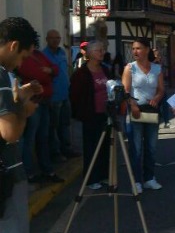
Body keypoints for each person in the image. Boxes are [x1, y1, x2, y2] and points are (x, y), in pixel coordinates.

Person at [0, 17, 42, 233]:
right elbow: (9, 133)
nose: (20, 65)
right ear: (13, 45)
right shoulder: (1, 75)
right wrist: (24, 109)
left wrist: (20, 96)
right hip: (7, 174)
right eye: (23, 57)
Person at [123, 37, 165, 193]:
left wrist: (157, 98)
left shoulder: (157, 68)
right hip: (136, 111)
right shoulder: (130, 68)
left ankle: (149, 178)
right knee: (136, 148)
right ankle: (136, 181)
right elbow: (125, 91)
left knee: (151, 147)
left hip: (151, 111)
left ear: (147, 49)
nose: (135, 51)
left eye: (138, 48)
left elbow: (161, 89)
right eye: (133, 49)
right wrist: (133, 105)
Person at [69, 41, 112, 190]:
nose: (102, 53)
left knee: (106, 146)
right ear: (90, 53)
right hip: (91, 115)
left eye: (102, 50)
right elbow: (75, 95)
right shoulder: (81, 73)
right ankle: (91, 178)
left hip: (106, 114)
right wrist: (81, 112)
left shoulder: (105, 70)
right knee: (91, 147)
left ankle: (104, 175)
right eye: (98, 50)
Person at [18, 47, 64, 184]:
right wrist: (48, 73)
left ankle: (47, 170)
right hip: (33, 101)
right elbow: (35, 75)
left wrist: (49, 72)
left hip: (45, 101)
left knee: (44, 137)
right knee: (30, 138)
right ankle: (29, 173)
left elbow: (55, 69)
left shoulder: (39, 55)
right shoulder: (24, 56)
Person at [42, 29, 77, 163]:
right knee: (53, 127)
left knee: (65, 124)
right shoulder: (44, 55)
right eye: (52, 38)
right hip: (53, 97)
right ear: (47, 39)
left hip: (65, 94)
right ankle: (55, 153)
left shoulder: (62, 52)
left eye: (58, 38)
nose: (56, 40)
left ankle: (67, 149)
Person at [153, 49, 173, 129]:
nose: (159, 57)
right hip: (154, 90)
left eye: (159, 55)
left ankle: (166, 122)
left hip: (162, 88)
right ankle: (155, 123)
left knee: (165, 105)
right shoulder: (151, 65)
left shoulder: (160, 65)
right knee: (156, 107)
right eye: (157, 55)